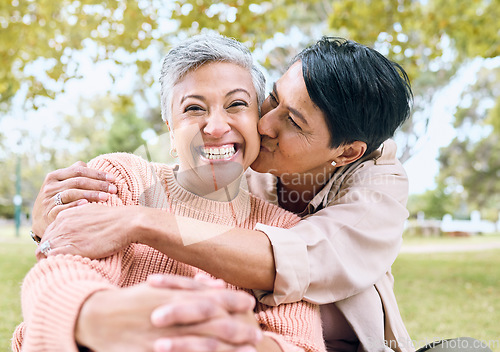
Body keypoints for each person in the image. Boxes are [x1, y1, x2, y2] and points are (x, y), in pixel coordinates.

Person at [29, 37, 414, 351]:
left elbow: (291, 268)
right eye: (273, 100)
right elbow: (61, 271)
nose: (263, 124)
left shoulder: (375, 191)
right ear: (169, 123)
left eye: (238, 104)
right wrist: (95, 314)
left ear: (346, 152)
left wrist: (138, 221)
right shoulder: (126, 177)